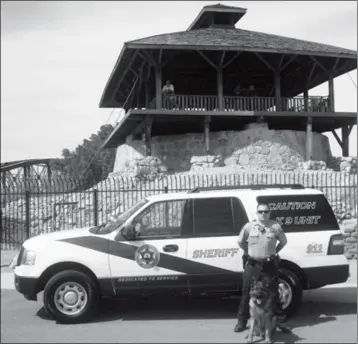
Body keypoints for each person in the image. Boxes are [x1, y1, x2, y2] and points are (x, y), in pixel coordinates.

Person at [234, 202, 288, 333]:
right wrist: (248, 252)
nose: (263, 214)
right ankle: (242, 321)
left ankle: (279, 322)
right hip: (253, 264)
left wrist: (274, 251)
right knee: (247, 292)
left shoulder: (275, 226)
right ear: (257, 213)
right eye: (260, 211)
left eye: (266, 211)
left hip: (269, 264)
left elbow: (283, 242)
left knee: (273, 293)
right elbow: (240, 241)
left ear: (269, 213)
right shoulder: (249, 226)